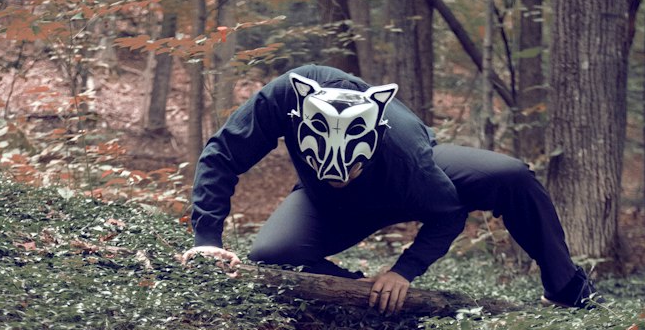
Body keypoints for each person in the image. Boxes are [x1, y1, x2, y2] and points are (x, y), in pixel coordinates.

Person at [183, 63, 597, 313]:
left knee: (512, 175)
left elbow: (448, 212)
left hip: (404, 183)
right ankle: (356, 286)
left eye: (349, 170)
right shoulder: (283, 98)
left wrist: (404, 271)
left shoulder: (405, 153)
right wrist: (206, 237)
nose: (343, 175)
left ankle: (566, 286)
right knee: (271, 254)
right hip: (325, 202)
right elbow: (222, 153)